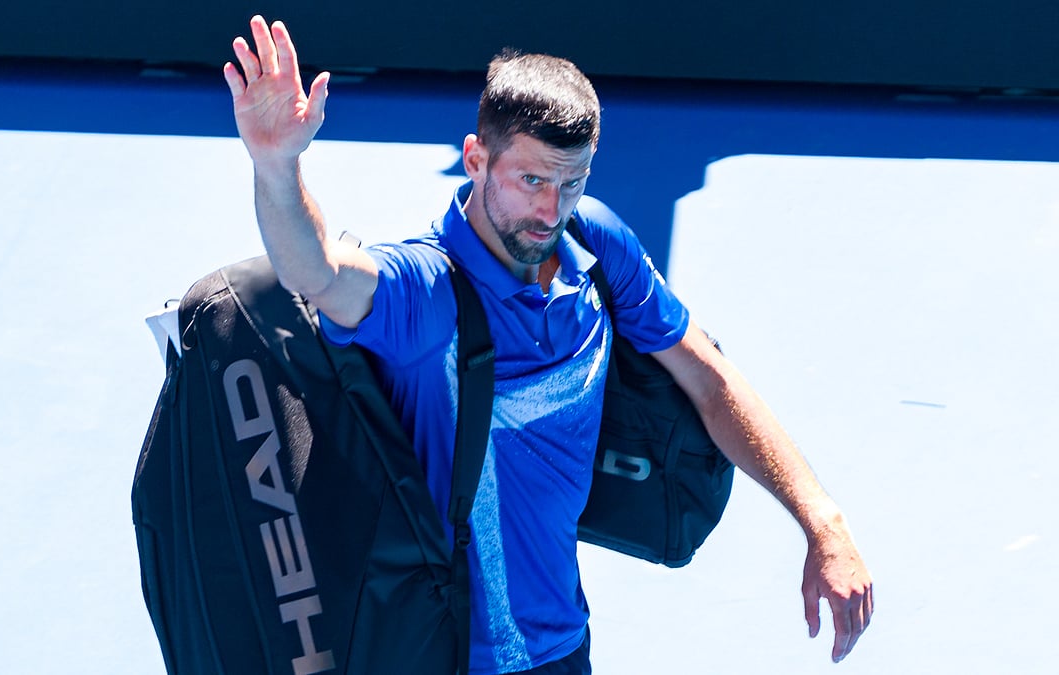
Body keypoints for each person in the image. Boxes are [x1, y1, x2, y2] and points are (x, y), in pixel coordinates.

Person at [223, 15, 874, 674]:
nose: (551, 210)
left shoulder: (594, 244)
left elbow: (710, 380)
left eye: (573, 182)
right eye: (531, 180)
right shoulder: (426, 291)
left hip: (562, 645)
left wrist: (822, 520)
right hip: (445, 657)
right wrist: (277, 165)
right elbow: (318, 271)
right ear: (476, 159)